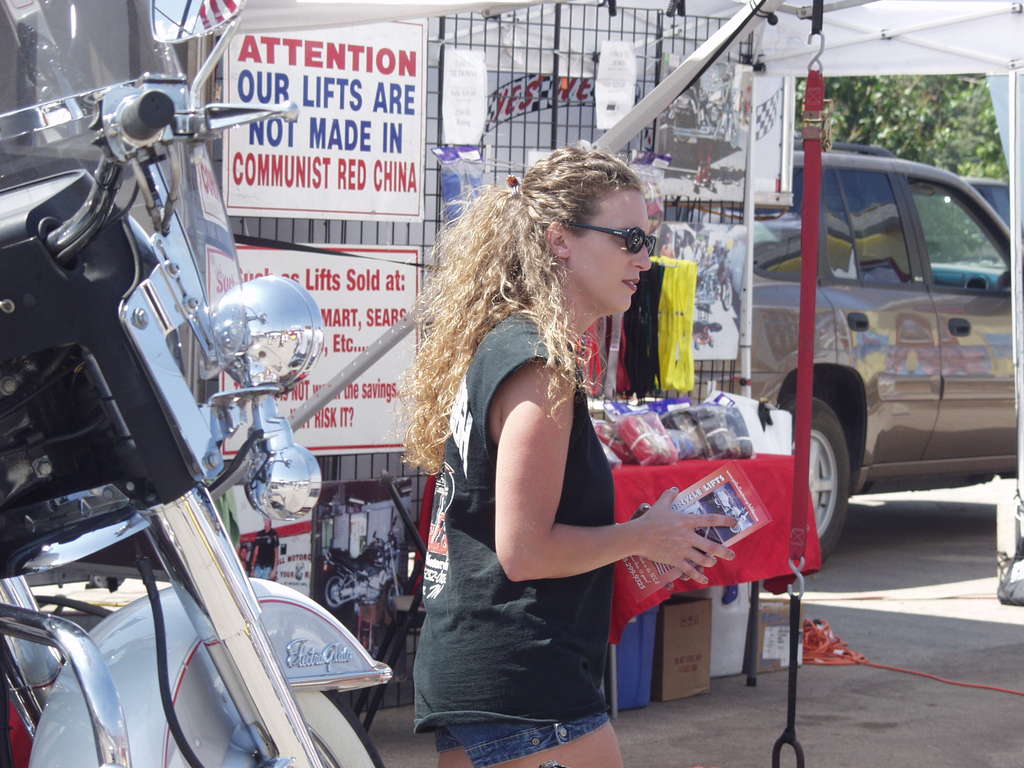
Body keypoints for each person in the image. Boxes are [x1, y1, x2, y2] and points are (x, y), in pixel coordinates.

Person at [402, 145, 737, 768]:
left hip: (504, 682)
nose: (646, 257)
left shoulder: (520, 348)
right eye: (630, 238)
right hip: (526, 687)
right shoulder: (539, 365)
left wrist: (641, 538)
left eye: (650, 239)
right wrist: (641, 536)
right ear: (560, 240)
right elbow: (525, 551)